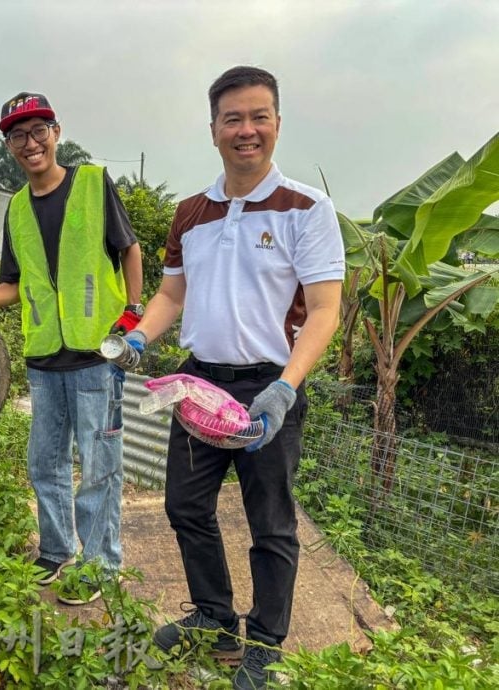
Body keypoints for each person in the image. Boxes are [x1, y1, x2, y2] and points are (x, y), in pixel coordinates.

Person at [125, 67, 344, 689]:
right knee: (185, 506)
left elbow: (325, 309)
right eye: (233, 119)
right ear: (214, 128)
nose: (246, 130)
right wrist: (142, 335)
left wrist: (286, 386)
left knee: (269, 519)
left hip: (269, 383)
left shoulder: (307, 208)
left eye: (259, 117)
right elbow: (172, 293)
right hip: (199, 381)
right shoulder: (191, 212)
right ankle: (214, 618)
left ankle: (266, 641)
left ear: (276, 123)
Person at [0, 92, 143, 605]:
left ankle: (101, 566)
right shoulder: (15, 208)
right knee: (45, 463)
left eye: (38, 131)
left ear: (56, 133)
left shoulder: (93, 184)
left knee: (100, 465)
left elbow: (129, 248)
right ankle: (56, 551)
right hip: (44, 359)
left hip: (96, 358)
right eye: (17, 135)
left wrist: (133, 313)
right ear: (8, 145)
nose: (29, 143)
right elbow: (12, 283)